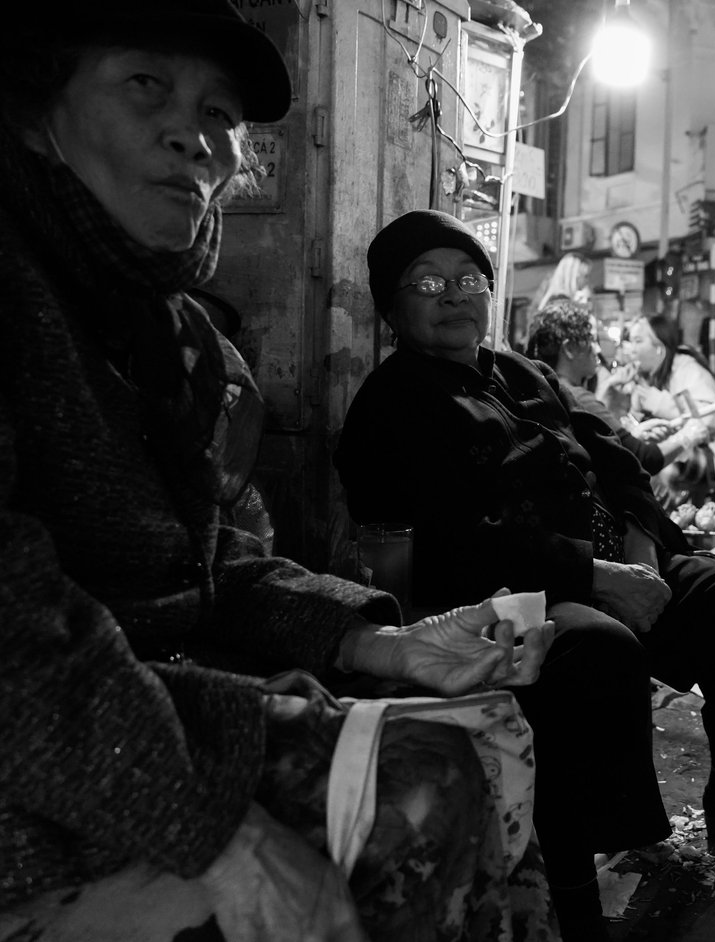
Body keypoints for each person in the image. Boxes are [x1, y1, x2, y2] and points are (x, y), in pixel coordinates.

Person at [0, 3, 564, 941]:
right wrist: (215, 831)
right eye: (145, 85)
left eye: (218, 113)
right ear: (34, 113)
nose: (193, 137)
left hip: (153, 707)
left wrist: (380, 641)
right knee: (415, 803)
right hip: (47, 777)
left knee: (478, 745)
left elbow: (203, 563)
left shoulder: (168, 331)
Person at [334, 210, 715, 938]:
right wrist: (593, 577)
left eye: (469, 279)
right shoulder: (391, 405)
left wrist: (640, 550)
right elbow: (455, 538)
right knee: (595, 652)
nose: (454, 297)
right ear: (391, 307)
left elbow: (617, 454)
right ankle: (572, 893)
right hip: (499, 595)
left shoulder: (524, 372)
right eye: (429, 284)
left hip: (610, 561)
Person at [525, 298, 707, 475]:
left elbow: (598, 447)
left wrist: (633, 432)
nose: (598, 349)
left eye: (638, 341)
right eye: (591, 339)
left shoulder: (545, 391)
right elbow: (643, 458)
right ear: (569, 349)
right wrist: (688, 435)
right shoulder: (576, 397)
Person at [629, 314, 715, 507]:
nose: (631, 349)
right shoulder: (642, 378)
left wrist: (662, 405)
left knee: (657, 469)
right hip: (676, 451)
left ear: (659, 347)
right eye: (630, 341)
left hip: (712, 454)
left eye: (638, 341)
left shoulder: (687, 369)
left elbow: (713, 416)